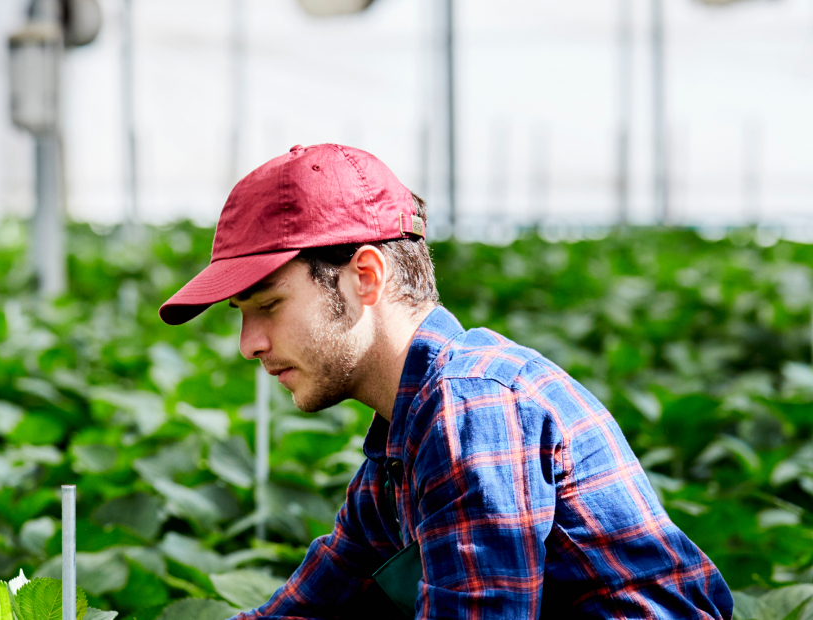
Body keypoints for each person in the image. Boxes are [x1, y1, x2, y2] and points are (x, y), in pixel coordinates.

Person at [157, 144, 734, 619]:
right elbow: (307, 608)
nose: (248, 343)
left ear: (365, 276)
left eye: (269, 304)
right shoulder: (402, 445)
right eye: (241, 314)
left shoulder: (471, 406)